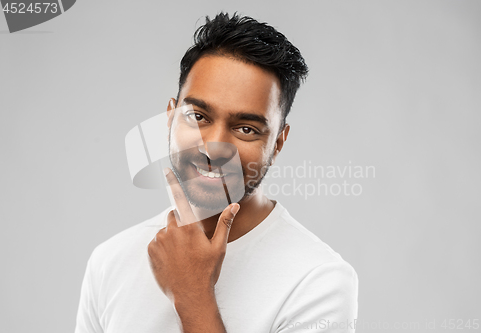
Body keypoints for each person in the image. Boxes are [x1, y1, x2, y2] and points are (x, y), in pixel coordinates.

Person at [75, 12, 358, 333]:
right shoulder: (110, 260)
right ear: (170, 119)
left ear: (277, 143)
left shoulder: (319, 280)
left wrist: (193, 295)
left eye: (247, 128)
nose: (213, 148)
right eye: (198, 116)